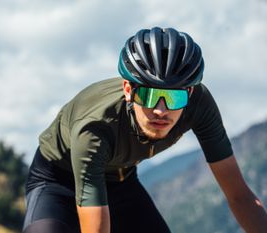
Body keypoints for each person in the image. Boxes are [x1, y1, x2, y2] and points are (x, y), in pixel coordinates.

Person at [22, 27, 267, 233]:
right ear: (128, 89)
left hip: (122, 181)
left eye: (174, 98)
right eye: (150, 95)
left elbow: (240, 196)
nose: (161, 111)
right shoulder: (95, 126)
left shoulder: (200, 105)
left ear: (190, 93)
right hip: (59, 182)